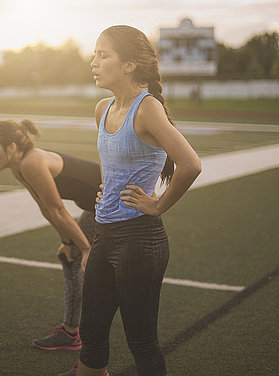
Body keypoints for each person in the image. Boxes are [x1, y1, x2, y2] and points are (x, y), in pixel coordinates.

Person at [60, 25, 201, 376]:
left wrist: (158, 205)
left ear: (128, 65)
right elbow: (112, 164)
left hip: (141, 240)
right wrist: (106, 190)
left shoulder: (147, 108)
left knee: (141, 341)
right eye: (94, 54)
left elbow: (191, 164)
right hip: (104, 235)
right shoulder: (102, 109)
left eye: (103, 55)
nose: (94, 62)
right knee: (92, 336)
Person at [0, 118, 102, 352]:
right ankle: (72, 332)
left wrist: (85, 248)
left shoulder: (32, 162)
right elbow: (45, 208)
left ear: (11, 148)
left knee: (91, 262)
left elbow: (58, 209)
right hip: (95, 205)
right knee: (70, 257)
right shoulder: (19, 167)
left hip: (110, 202)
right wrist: (67, 242)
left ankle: (76, 334)